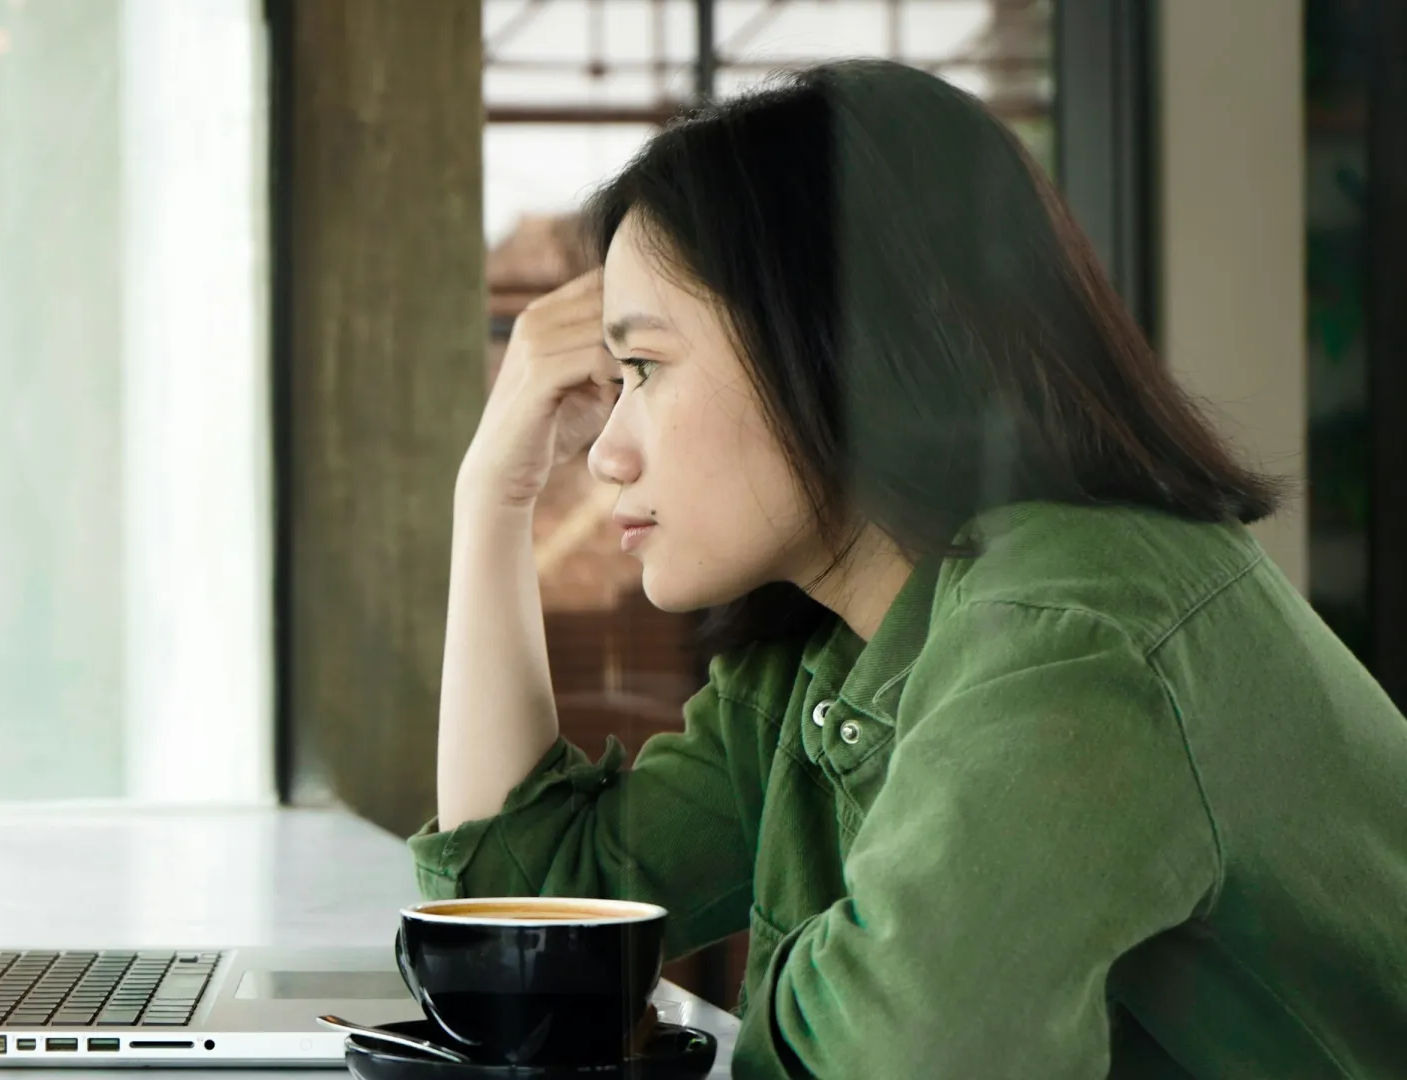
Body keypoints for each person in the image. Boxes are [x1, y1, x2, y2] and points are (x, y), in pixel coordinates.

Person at [414, 59, 1407, 1079]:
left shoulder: (1070, 630)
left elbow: (913, 1052)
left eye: (649, 371)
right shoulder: (831, 656)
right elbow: (525, 917)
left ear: (838, 342)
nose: (607, 450)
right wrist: (492, 493)